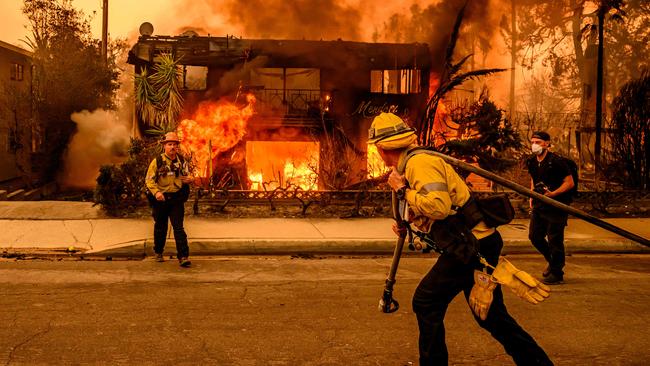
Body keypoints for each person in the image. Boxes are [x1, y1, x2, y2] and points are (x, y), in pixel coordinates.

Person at [369, 112, 552, 365]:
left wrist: (402, 190)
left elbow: (439, 207)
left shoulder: (418, 163)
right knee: (490, 317)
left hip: (470, 246)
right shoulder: (412, 163)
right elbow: (433, 208)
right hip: (475, 243)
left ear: (380, 148)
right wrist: (409, 221)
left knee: (426, 301)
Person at [526, 131, 575, 285]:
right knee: (535, 236)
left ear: (547, 143)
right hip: (540, 205)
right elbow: (534, 180)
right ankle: (552, 262)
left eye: (538, 142)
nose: (535, 145)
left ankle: (557, 273)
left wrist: (553, 194)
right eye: (533, 142)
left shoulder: (557, 162)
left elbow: (569, 182)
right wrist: (531, 196)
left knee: (555, 239)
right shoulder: (532, 162)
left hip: (557, 206)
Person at [145, 132, 194, 267]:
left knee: (178, 228)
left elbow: (187, 175)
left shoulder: (181, 161)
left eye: (175, 144)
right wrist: (156, 193)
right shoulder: (157, 162)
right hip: (161, 200)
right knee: (161, 227)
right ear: (164, 146)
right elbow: (149, 181)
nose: (172, 147)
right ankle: (159, 252)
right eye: (170, 144)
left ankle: (183, 256)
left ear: (177, 147)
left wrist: (190, 179)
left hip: (176, 199)